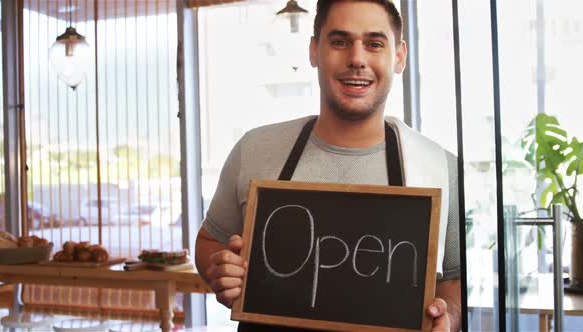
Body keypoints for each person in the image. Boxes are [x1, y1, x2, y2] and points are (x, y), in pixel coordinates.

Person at [195, 0, 461, 331]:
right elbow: (209, 242)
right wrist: (219, 272)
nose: (357, 59)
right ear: (313, 51)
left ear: (399, 56)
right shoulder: (255, 149)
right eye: (339, 41)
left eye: (374, 44)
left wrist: (446, 317)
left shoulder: (441, 168)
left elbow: (453, 282)